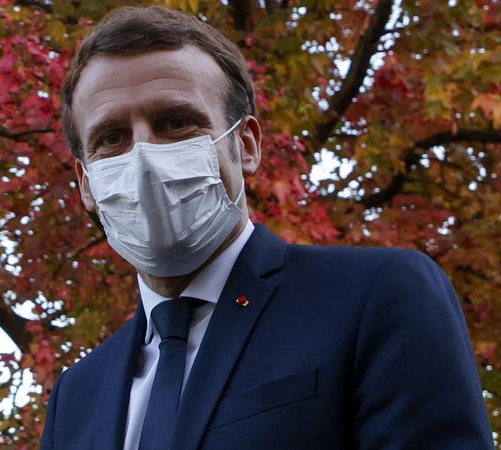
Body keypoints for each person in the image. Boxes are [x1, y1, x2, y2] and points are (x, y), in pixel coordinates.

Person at [41, 6, 493, 450]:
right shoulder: (77, 397)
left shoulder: (375, 295)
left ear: (247, 144)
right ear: (85, 183)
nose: (143, 159)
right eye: (112, 138)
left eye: (176, 123)